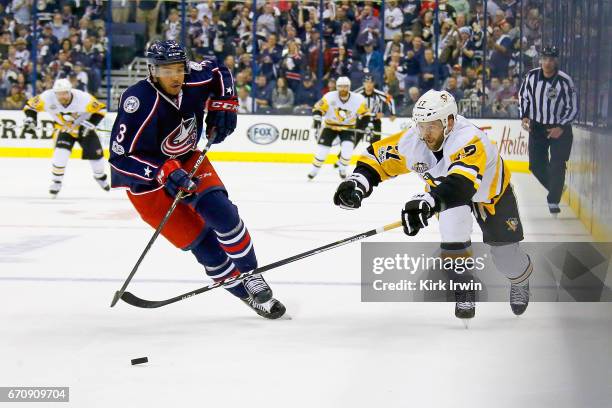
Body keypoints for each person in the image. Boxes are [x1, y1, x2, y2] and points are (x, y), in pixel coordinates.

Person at [108, 40, 286, 319]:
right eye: (167, 71)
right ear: (152, 71)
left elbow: (219, 71)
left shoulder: (195, 77)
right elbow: (120, 158)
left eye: (178, 68)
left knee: (222, 213)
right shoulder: (138, 101)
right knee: (206, 249)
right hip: (146, 187)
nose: (176, 76)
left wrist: (224, 104)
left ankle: (252, 275)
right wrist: (160, 170)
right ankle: (245, 295)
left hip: (188, 160)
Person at [333, 90, 532, 321]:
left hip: (492, 195)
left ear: (449, 121)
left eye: (432, 127)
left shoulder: (468, 138)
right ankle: (464, 287)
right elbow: (377, 159)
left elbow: (462, 185)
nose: (425, 134)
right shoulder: (413, 139)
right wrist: (357, 183)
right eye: (421, 126)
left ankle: (520, 278)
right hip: (447, 196)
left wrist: (427, 202)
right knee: (452, 234)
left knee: (506, 259)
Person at [22, 78, 110, 197]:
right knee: (60, 155)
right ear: (55, 93)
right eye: (59, 93)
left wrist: (91, 123)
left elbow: (101, 109)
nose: (62, 96)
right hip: (64, 129)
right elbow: (30, 106)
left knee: (97, 157)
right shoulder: (46, 97)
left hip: (84, 129)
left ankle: (100, 176)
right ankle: (56, 182)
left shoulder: (83, 98)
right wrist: (30, 119)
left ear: (70, 91)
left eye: (65, 93)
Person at [518, 46, 578, 217]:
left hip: (561, 129)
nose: (547, 62)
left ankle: (553, 199)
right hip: (537, 127)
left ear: (556, 60)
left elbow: (573, 107)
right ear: (540, 60)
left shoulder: (565, 81)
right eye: (545, 58)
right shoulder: (531, 77)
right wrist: (524, 116)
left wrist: (562, 126)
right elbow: (523, 97)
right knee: (535, 165)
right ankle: (557, 187)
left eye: (551, 59)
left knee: (558, 164)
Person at [308, 76, 372, 180]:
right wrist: (317, 118)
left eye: (345, 87)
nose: (343, 89)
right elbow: (318, 108)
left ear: (349, 87)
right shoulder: (329, 97)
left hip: (348, 128)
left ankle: (342, 169)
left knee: (348, 148)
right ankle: (314, 171)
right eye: (340, 86)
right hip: (330, 126)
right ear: (337, 87)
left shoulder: (358, 99)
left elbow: (366, 114)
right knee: (322, 150)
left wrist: (366, 126)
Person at [353, 71, 396, 144]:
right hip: (361, 120)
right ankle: (342, 155)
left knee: (376, 145)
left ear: (373, 84)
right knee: (352, 142)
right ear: (363, 84)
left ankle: (374, 155)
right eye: (366, 82)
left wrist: (392, 113)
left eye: (370, 82)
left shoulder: (379, 94)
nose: (368, 85)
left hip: (376, 120)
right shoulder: (357, 94)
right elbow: (350, 103)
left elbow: (390, 99)